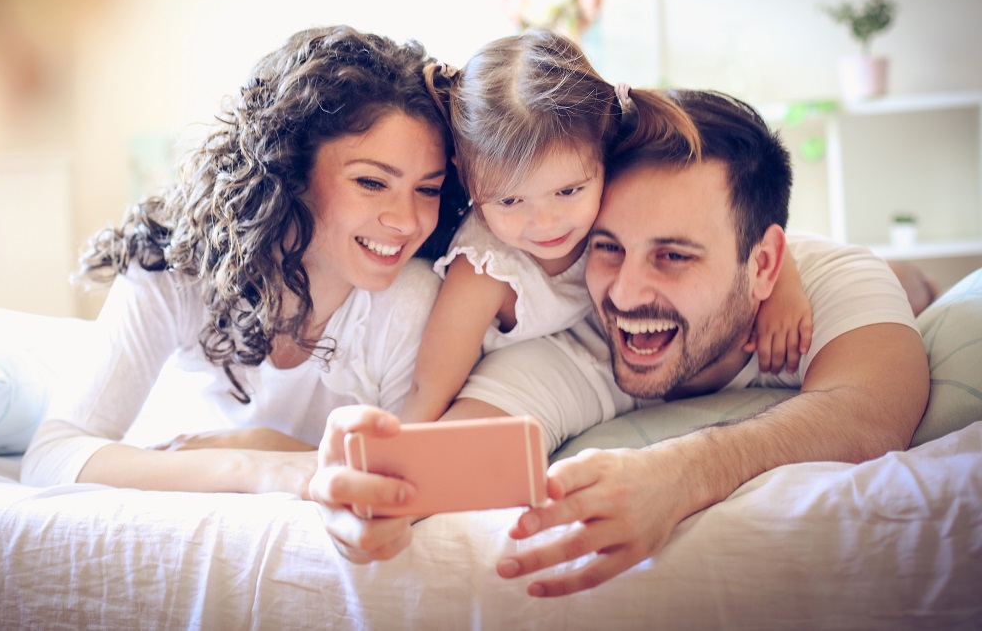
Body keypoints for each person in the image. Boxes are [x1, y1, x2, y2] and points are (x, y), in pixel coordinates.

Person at [309, 89, 931, 595]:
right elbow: (442, 459)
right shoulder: (572, 340)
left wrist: (680, 474)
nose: (625, 293)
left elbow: (871, 413)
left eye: (674, 255)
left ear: (766, 264)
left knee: (913, 290)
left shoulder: (830, 278)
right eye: (605, 247)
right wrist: (363, 498)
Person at [19, 25, 467, 494]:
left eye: (428, 189)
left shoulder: (413, 298)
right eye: (372, 182)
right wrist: (250, 467)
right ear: (290, 170)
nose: (406, 221)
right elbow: (52, 456)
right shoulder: (173, 268)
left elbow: (402, 475)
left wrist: (265, 444)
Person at [400, 32, 811, 424]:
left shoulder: (606, 196)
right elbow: (428, 387)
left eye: (567, 191)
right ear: (469, 181)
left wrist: (782, 293)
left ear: (603, 153)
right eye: (509, 201)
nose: (545, 224)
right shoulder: (485, 270)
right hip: (496, 380)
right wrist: (400, 455)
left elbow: (754, 234)